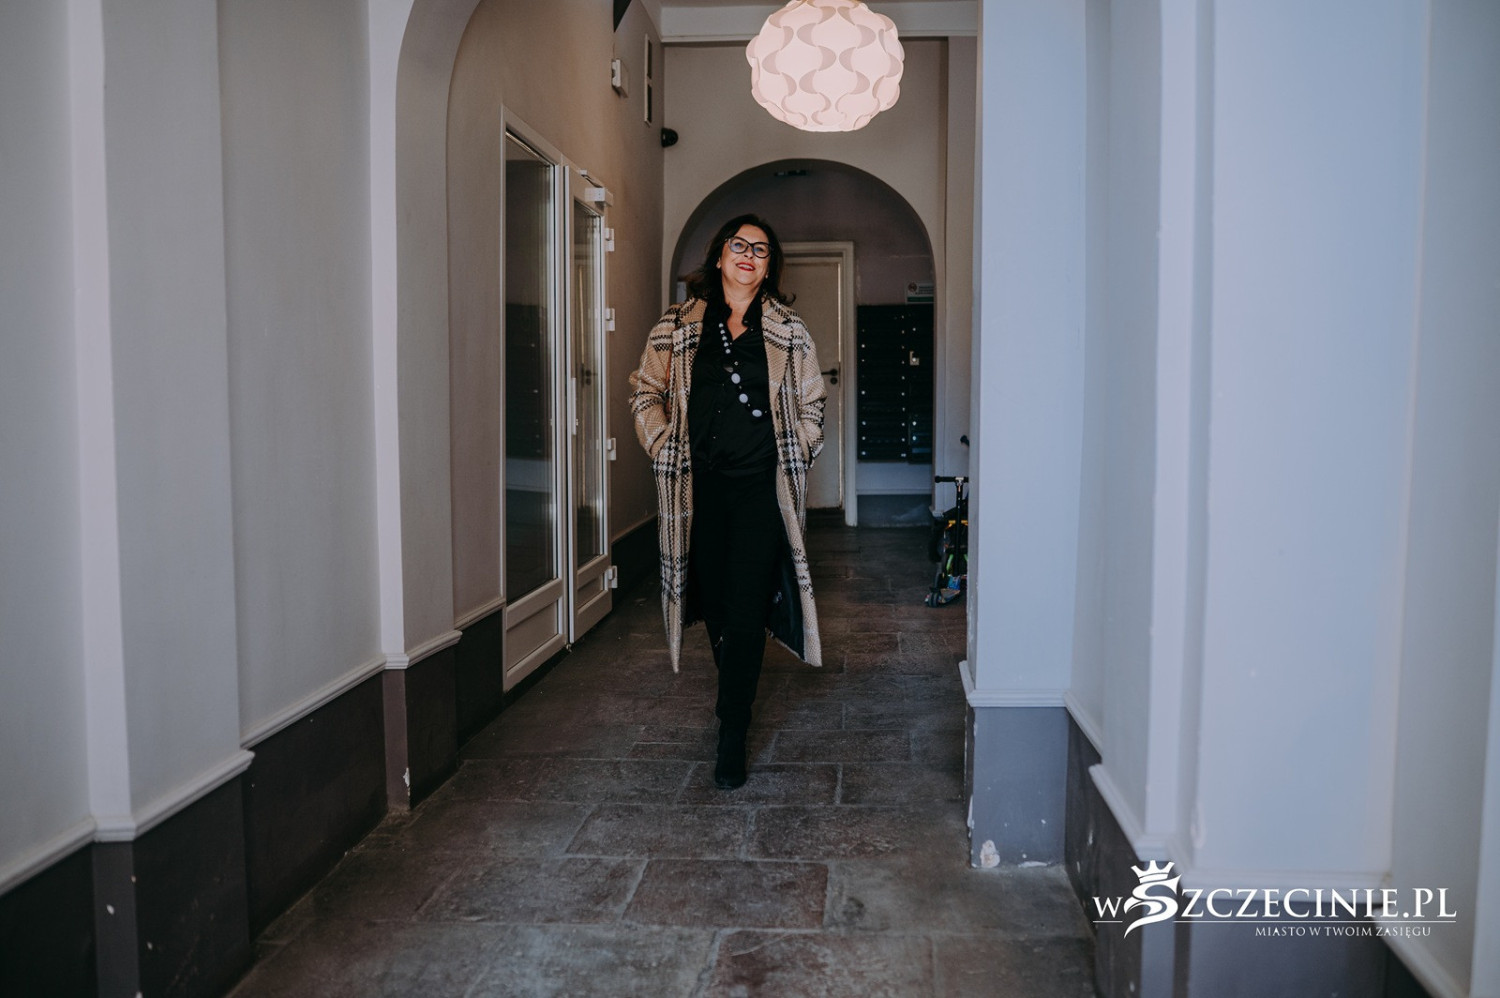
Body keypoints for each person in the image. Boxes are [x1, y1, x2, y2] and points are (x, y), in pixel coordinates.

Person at [628, 214, 828, 789]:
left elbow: (812, 406)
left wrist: (798, 450)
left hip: (761, 490)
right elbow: (646, 391)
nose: (748, 255)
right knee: (714, 601)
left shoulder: (789, 331)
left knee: (746, 607)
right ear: (719, 256)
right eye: (739, 245)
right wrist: (662, 446)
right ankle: (734, 694)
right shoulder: (676, 325)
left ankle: (732, 727)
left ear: (769, 268)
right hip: (698, 490)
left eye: (761, 250)